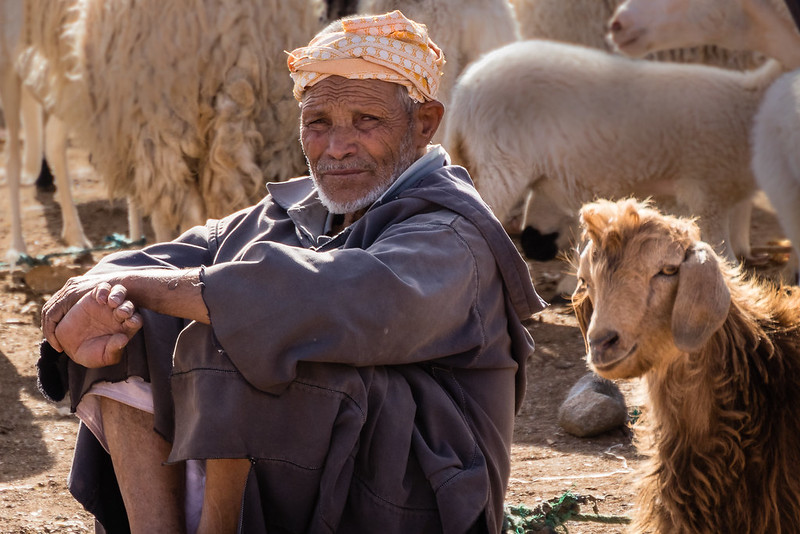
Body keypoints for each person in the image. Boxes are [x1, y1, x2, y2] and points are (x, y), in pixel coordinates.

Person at [38, 10, 545, 534]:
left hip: (413, 498)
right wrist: (96, 293)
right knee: (130, 322)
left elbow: (334, 297)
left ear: (423, 125)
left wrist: (141, 286)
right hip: (324, 477)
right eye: (318, 123)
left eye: (366, 121)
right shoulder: (294, 211)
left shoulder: (451, 234)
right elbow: (162, 262)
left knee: (239, 336)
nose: (337, 146)